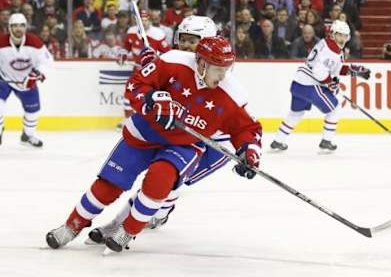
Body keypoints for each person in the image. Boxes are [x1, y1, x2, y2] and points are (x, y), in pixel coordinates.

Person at [46, 36, 263, 253]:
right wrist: (151, 101)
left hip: (184, 144)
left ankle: (128, 230)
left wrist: (249, 152)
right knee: (108, 186)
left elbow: (247, 129)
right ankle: (71, 226)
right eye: (218, 68)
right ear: (203, 63)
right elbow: (136, 85)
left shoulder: (231, 92)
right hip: (145, 133)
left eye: (227, 68)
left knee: (160, 179)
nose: (223, 74)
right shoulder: (173, 61)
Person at [86, 16, 230, 241]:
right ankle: (119, 223)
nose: (186, 46)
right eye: (183, 40)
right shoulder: (176, 61)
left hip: (213, 145)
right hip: (177, 135)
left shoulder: (216, 73)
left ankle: (142, 218)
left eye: (193, 41)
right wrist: (150, 64)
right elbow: (155, 86)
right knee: (158, 180)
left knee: (167, 184)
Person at [270, 20, 370, 152]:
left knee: (296, 113)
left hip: (299, 83)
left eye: (345, 35)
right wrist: (330, 83)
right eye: (339, 35)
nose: (342, 38)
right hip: (309, 85)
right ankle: (326, 140)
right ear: (333, 34)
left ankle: (278, 140)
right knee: (335, 108)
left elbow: (333, 69)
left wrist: (352, 71)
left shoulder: (327, 44)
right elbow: (318, 70)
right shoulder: (332, 50)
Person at [0, 13, 53, 147]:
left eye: (22, 26)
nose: (18, 29)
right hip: (4, 80)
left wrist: (36, 75)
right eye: (15, 26)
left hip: (26, 81)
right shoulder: (1, 42)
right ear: (9, 27)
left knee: (33, 112)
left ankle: (27, 135)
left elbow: (47, 61)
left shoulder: (35, 43)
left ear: (26, 27)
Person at [116, 10, 171, 130]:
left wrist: (156, 55)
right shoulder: (131, 31)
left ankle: (155, 121)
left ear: (150, 20)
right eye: (142, 20)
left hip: (155, 72)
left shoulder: (158, 35)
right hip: (137, 70)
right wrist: (123, 54)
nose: (144, 23)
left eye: (146, 20)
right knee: (129, 93)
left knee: (152, 96)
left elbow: (167, 55)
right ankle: (127, 120)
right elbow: (126, 46)